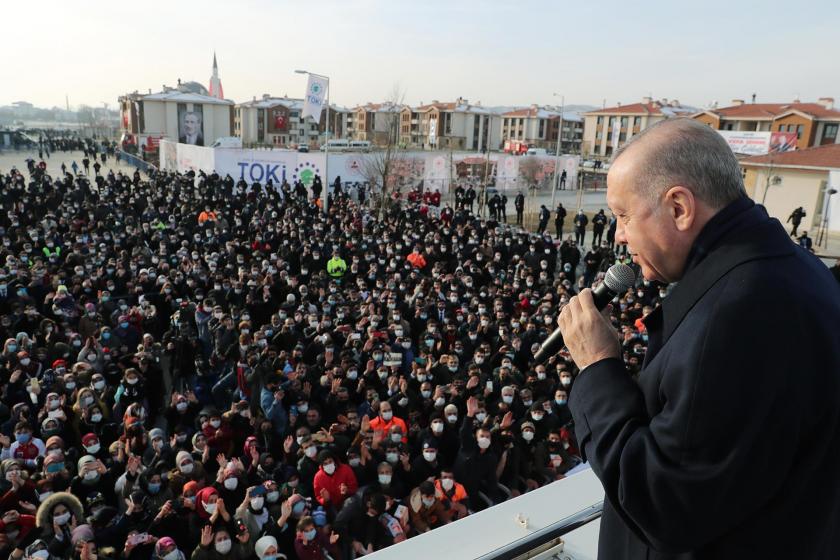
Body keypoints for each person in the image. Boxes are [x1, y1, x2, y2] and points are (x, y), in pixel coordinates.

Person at [558, 118, 840, 559]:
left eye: (624, 215)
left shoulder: (740, 314)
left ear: (679, 208)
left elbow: (667, 501)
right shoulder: (790, 269)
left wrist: (597, 368)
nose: (618, 235)